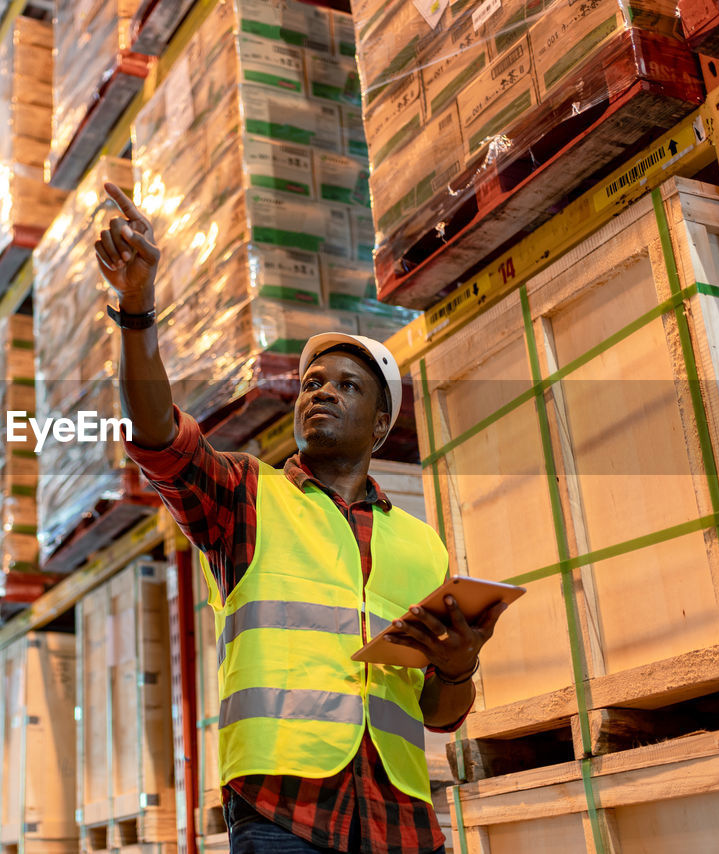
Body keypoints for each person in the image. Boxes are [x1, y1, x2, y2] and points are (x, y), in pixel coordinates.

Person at [93, 183, 506, 854]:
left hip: (401, 818)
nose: (322, 391)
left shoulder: (421, 545)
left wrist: (459, 668)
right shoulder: (246, 498)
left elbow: (438, 715)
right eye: (313, 383)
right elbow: (158, 436)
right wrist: (137, 309)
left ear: (379, 426)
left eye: (347, 386)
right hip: (284, 811)